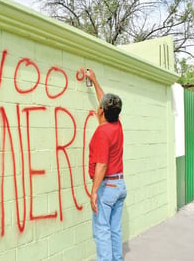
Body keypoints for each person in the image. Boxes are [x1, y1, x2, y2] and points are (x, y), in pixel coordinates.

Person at [86, 68, 127, 261]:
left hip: (107, 186)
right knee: (114, 230)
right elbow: (104, 100)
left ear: (101, 111)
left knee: (102, 231)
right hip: (119, 185)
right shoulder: (116, 124)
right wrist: (94, 80)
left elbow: (101, 165)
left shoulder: (102, 133)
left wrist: (94, 191)